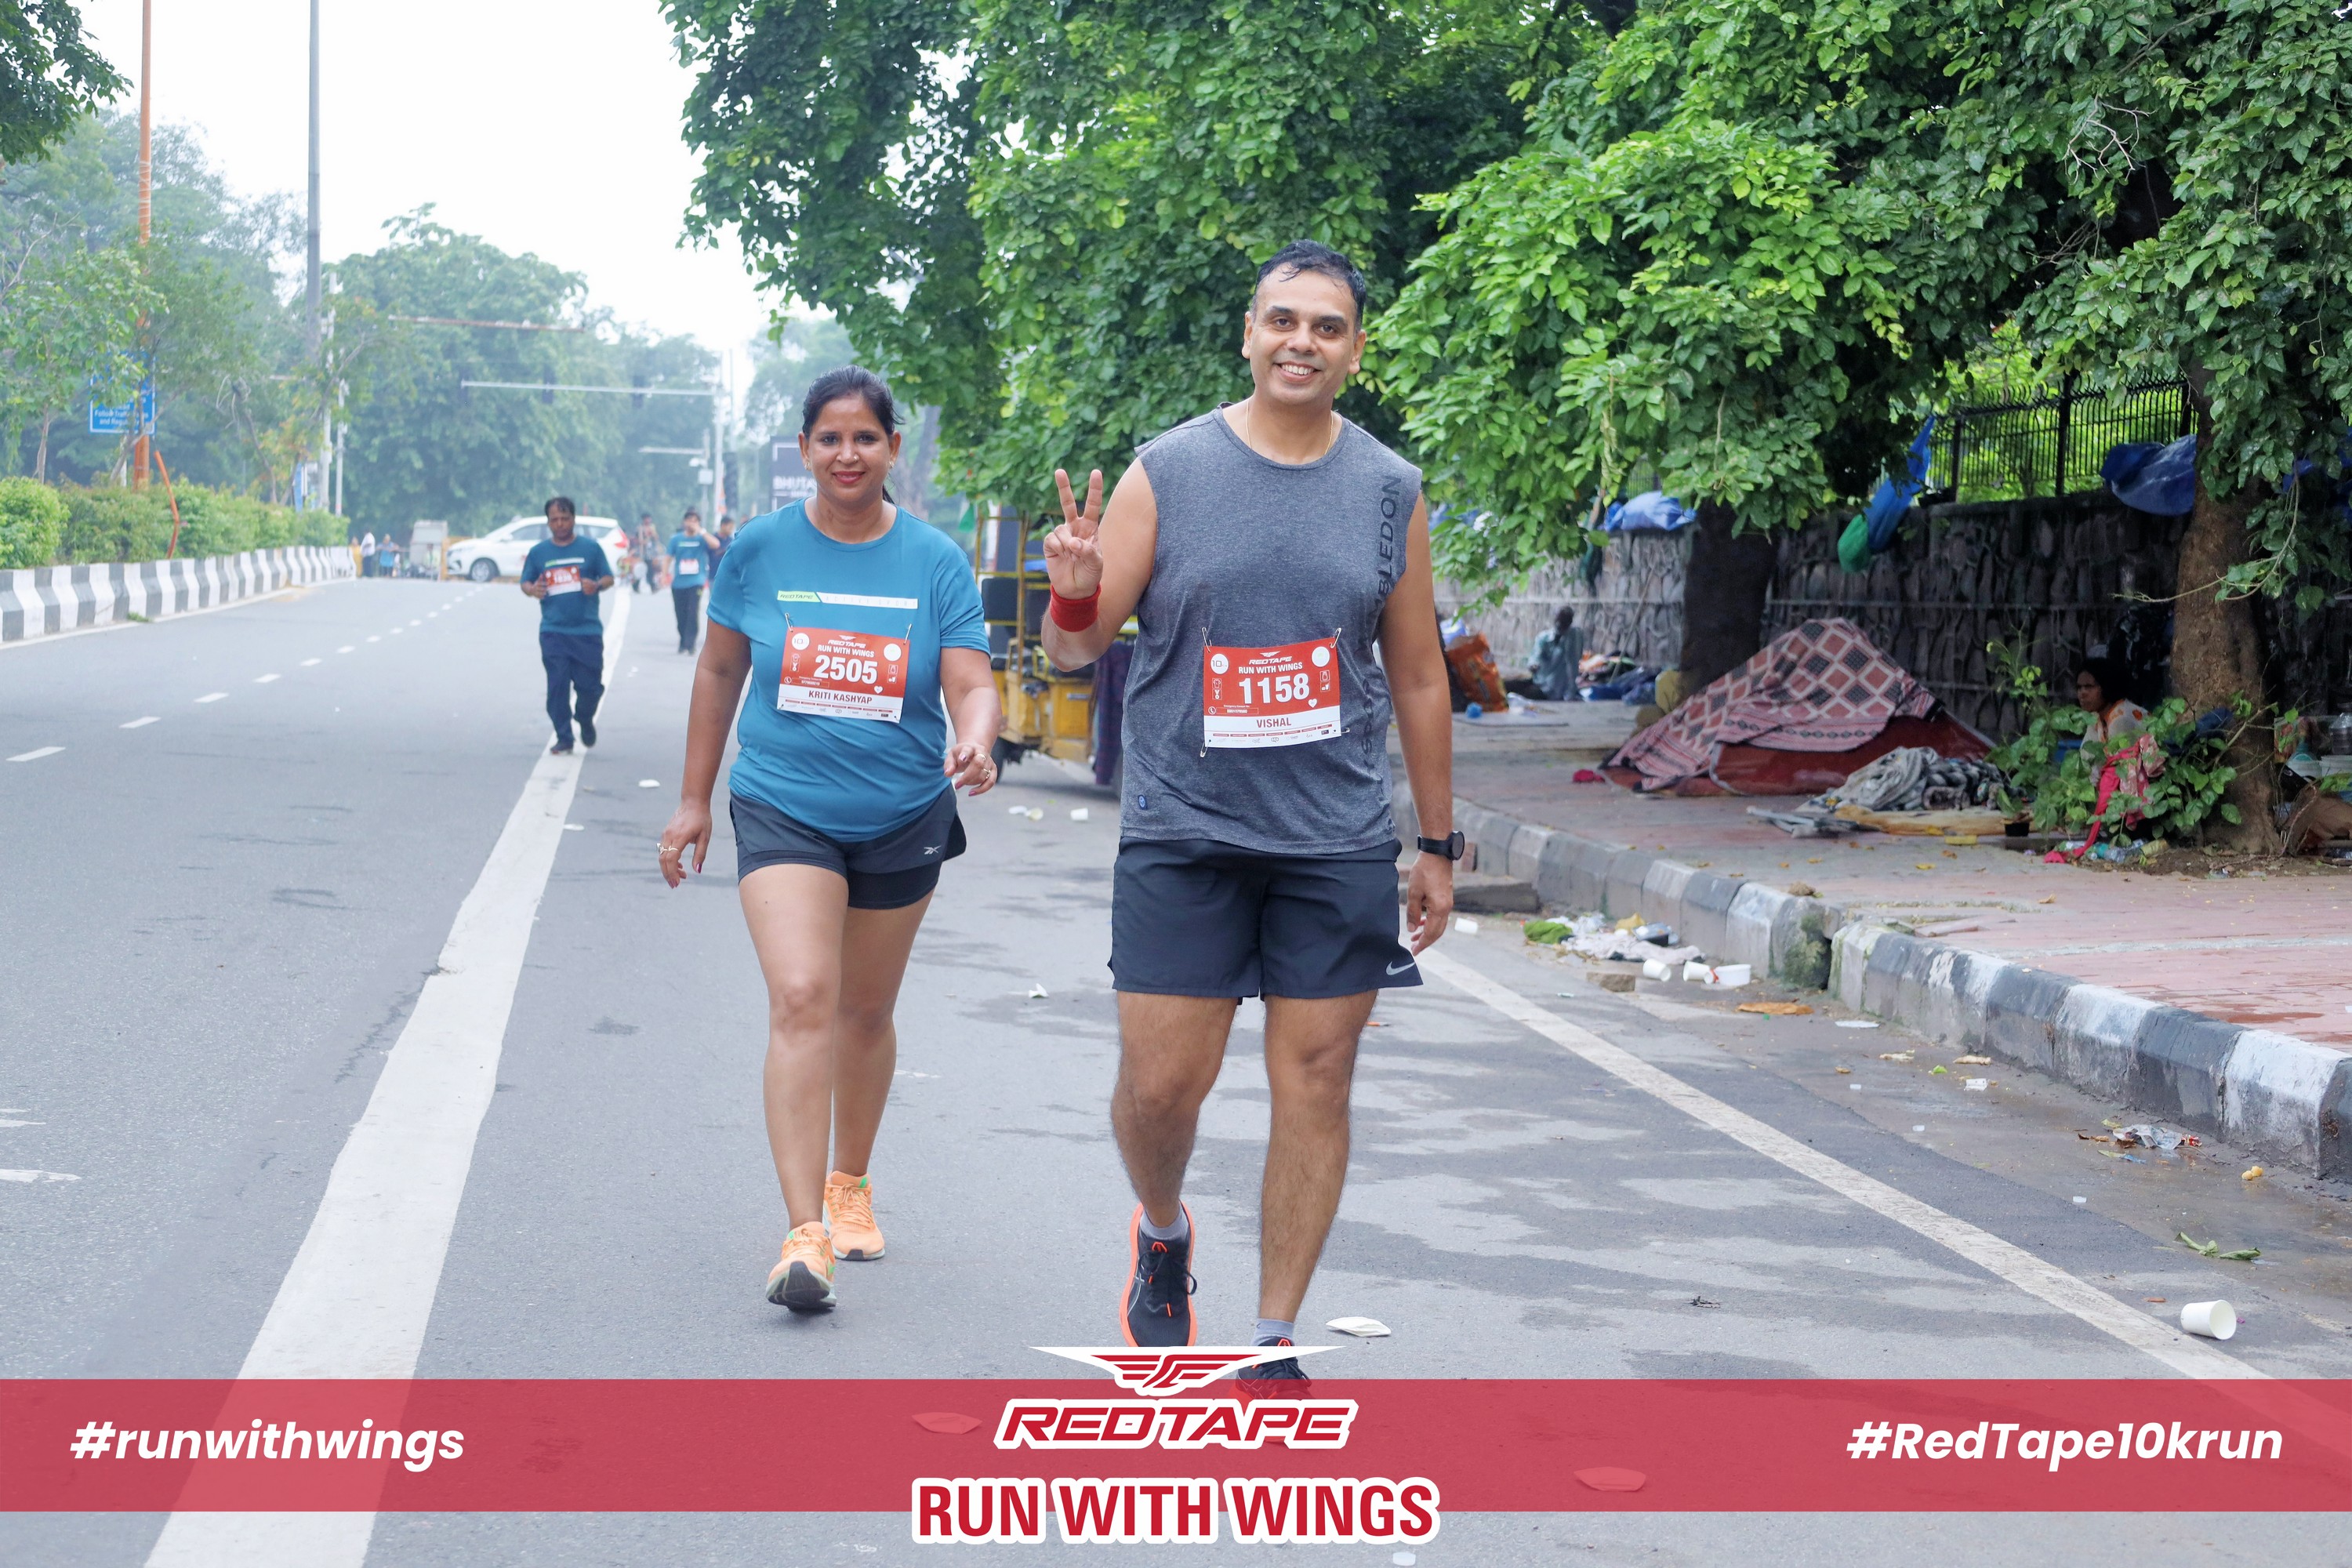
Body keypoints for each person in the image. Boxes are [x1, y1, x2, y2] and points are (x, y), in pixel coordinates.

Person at [1037, 240, 1457, 1375]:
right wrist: (1073, 595)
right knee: (1160, 1088)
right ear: (1248, 334)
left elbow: (1420, 674)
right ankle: (1162, 1229)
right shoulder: (1168, 472)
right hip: (1187, 826)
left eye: (1326, 327)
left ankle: (1273, 1334)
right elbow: (1074, 652)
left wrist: (1436, 840)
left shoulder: (1390, 490)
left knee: (1316, 1079)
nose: (1300, 343)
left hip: (1333, 837)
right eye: (1283, 321)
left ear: (1355, 351)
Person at [656, 366, 1002, 1315]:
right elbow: (719, 671)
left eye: (865, 438)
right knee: (805, 994)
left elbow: (971, 680)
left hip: (903, 812)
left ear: (892, 449)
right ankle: (804, 1231)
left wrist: (976, 736)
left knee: (864, 1010)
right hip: (785, 803)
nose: (847, 454)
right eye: (829, 438)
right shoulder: (759, 550)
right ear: (805, 449)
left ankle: (851, 1182)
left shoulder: (933, 559)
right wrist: (693, 800)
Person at [521, 496, 615, 754]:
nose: (560, 524)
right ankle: (564, 737)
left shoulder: (591, 549)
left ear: (574, 519)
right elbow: (526, 582)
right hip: (554, 631)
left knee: (590, 687)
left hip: (587, 632)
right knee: (557, 687)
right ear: (548, 522)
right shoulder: (539, 553)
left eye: (565, 519)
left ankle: (584, 718)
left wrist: (596, 585)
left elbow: (608, 577)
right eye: (555, 520)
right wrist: (533, 590)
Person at [2075, 657, 2147, 750]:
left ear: (2106, 687)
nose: (2082, 693)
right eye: (2079, 687)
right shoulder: (2096, 718)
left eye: (2089, 687)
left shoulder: (2121, 720)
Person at [668, 510, 714, 654]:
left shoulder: (702, 539)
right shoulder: (676, 539)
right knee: (680, 613)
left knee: (693, 612)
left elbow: (715, 544)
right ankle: (683, 640)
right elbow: (668, 557)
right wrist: (664, 574)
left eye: (695, 521)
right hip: (679, 583)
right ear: (684, 522)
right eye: (689, 520)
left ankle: (691, 643)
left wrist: (701, 531)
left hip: (696, 582)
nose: (691, 523)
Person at [1528, 604, 1584, 701]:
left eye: (1564, 621)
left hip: (1565, 688)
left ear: (1570, 622)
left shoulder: (1574, 636)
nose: (1560, 624)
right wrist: (1533, 664)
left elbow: (1572, 660)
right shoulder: (1543, 638)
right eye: (1558, 619)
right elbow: (1535, 657)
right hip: (1544, 684)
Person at [633, 514, 660, 593]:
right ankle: (636, 585)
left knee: (650, 570)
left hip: (650, 553)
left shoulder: (652, 528)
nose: (648, 520)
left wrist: (652, 533)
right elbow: (637, 540)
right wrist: (644, 541)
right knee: (641, 569)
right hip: (642, 552)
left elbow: (656, 538)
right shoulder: (640, 529)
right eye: (646, 519)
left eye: (649, 519)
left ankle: (652, 586)